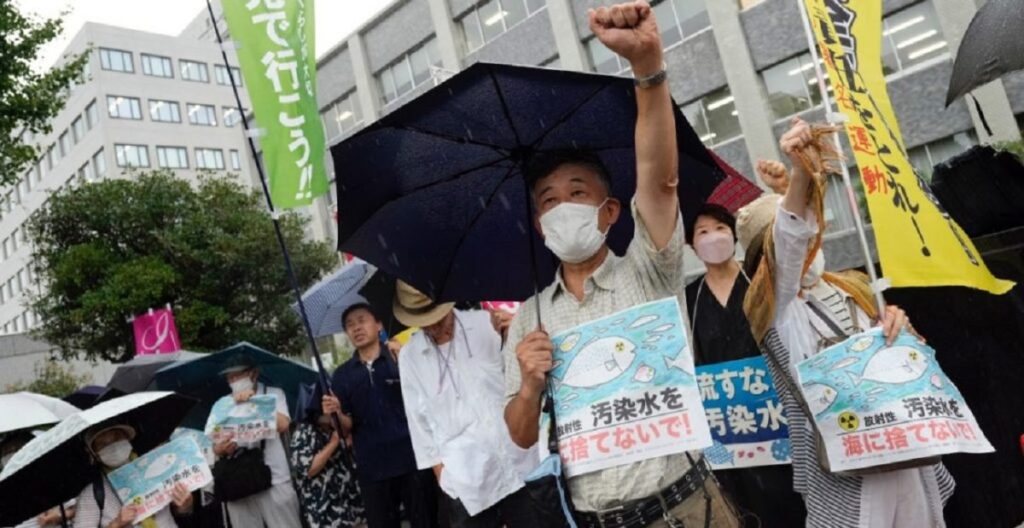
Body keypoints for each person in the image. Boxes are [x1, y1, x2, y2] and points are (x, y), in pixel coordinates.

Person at [502, 2, 740, 526]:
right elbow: (520, 433)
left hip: (689, 506)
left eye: (576, 193)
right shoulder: (529, 321)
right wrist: (528, 385)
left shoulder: (649, 269)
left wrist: (647, 71)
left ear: (610, 211)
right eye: (547, 201)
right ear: (539, 227)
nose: (561, 207)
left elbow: (658, 178)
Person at [738, 117, 954, 527]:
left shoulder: (851, 287)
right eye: (790, 240)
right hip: (848, 468)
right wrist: (801, 173)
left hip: (905, 448)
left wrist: (900, 329)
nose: (806, 240)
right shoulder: (773, 311)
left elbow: (910, 361)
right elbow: (788, 237)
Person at [685, 203, 807, 527]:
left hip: (777, 416)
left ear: (734, 234)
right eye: (703, 232)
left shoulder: (759, 280)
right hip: (727, 431)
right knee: (744, 506)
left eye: (721, 228)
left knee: (793, 498)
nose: (713, 237)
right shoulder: (687, 298)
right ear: (691, 244)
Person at [393, 281, 538, 527]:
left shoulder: (485, 325)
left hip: (520, 463)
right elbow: (419, 426)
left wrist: (512, 336)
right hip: (467, 482)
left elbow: (520, 379)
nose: (433, 325)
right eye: (424, 320)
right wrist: (443, 476)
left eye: (437, 316)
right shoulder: (410, 358)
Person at [322, 303, 439, 528]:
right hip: (372, 468)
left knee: (426, 522)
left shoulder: (401, 357)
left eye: (362, 320)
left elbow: (427, 398)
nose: (356, 328)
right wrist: (336, 412)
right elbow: (346, 427)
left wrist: (406, 359)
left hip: (413, 459)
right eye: (350, 325)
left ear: (378, 325)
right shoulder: (342, 375)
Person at [208, 355, 302, 528]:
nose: (233, 381)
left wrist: (254, 401)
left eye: (238, 376)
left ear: (254, 374)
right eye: (230, 377)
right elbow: (214, 445)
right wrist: (221, 448)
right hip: (238, 481)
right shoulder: (222, 405)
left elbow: (283, 424)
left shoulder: (273, 393)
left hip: (275, 477)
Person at [73, 425, 192, 528]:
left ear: (128, 439)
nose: (113, 446)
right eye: (103, 444)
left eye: (116, 437)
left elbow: (180, 512)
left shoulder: (156, 468)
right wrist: (117, 523)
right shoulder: (91, 494)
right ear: (94, 454)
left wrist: (184, 506)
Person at [290, 403, 366, 528]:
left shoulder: (341, 425)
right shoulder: (304, 432)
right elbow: (308, 469)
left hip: (353, 507)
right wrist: (333, 443)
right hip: (325, 514)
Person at [1, 431, 76, 528]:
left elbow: (74, 510)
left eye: (17, 449)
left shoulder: (52, 479)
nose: (11, 455)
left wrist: (56, 516)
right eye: (7, 451)